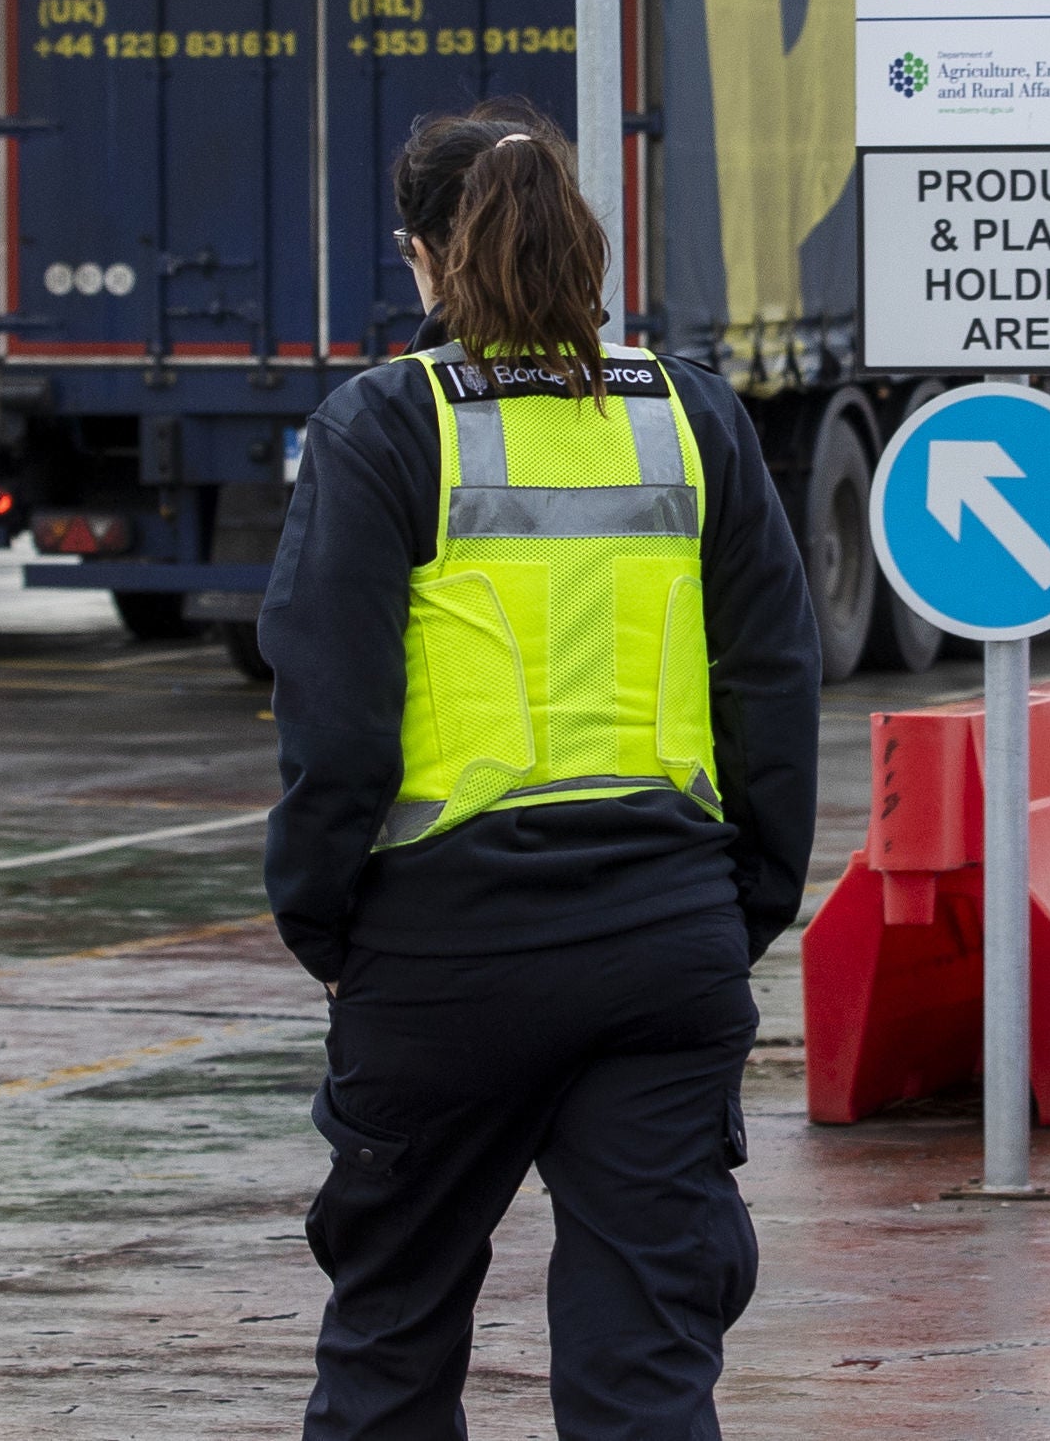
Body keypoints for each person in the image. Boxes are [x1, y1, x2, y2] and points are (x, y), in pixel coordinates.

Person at [260, 100, 822, 1441]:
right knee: (649, 1362)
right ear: (586, 249)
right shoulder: (689, 415)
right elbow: (773, 681)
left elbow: (334, 720)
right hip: (666, 943)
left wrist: (326, 921)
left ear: (423, 259)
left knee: (393, 1335)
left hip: (444, 952)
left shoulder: (385, 425)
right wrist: (738, 905)